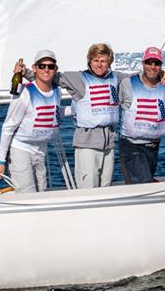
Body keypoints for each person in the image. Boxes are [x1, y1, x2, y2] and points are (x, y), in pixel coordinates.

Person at [18, 44, 134, 188]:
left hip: (109, 144)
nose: (99, 64)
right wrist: (26, 73)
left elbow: (138, 78)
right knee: (88, 190)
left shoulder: (116, 77)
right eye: (95, 60)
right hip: (87, 144)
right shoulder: (78, 78)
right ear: (89, 61)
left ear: (109, 63)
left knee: (106, 187)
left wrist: (161, 75)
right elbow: (50, 77)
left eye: (103, 61)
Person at [0, 50, 61, 193]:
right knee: (27, 193)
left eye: (50, 66)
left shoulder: (57, 91)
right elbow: (8, 127)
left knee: (41, 190)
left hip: (41, 150)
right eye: (42, 66)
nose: (46, 69)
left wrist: (77, 109)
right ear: (35, 68)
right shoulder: (24, 92)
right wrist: (1, 161)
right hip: (21, 149)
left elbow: (54, 112)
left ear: (56, 69)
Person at [118, 47, 165, 184]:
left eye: (156, 63)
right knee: (143, 184)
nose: (152, 66)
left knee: (145, 182)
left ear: (161, 66)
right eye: (148, 62)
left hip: (153, 147)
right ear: (143, 64)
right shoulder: (127, 84)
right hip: (131, 145)